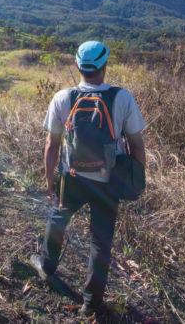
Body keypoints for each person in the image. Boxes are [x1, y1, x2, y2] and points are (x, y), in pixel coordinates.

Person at [30, 40, 146, 317]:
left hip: (72, 177)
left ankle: (46, 267)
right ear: (105, 65)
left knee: (59, 217)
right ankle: (91, 304)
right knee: (100, 241)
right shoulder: (122, 98)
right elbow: (136, 146)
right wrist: (138, 179)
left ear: (77, 65)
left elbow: (51, 145)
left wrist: (49, 179)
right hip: (108, 181)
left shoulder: (62, 98)